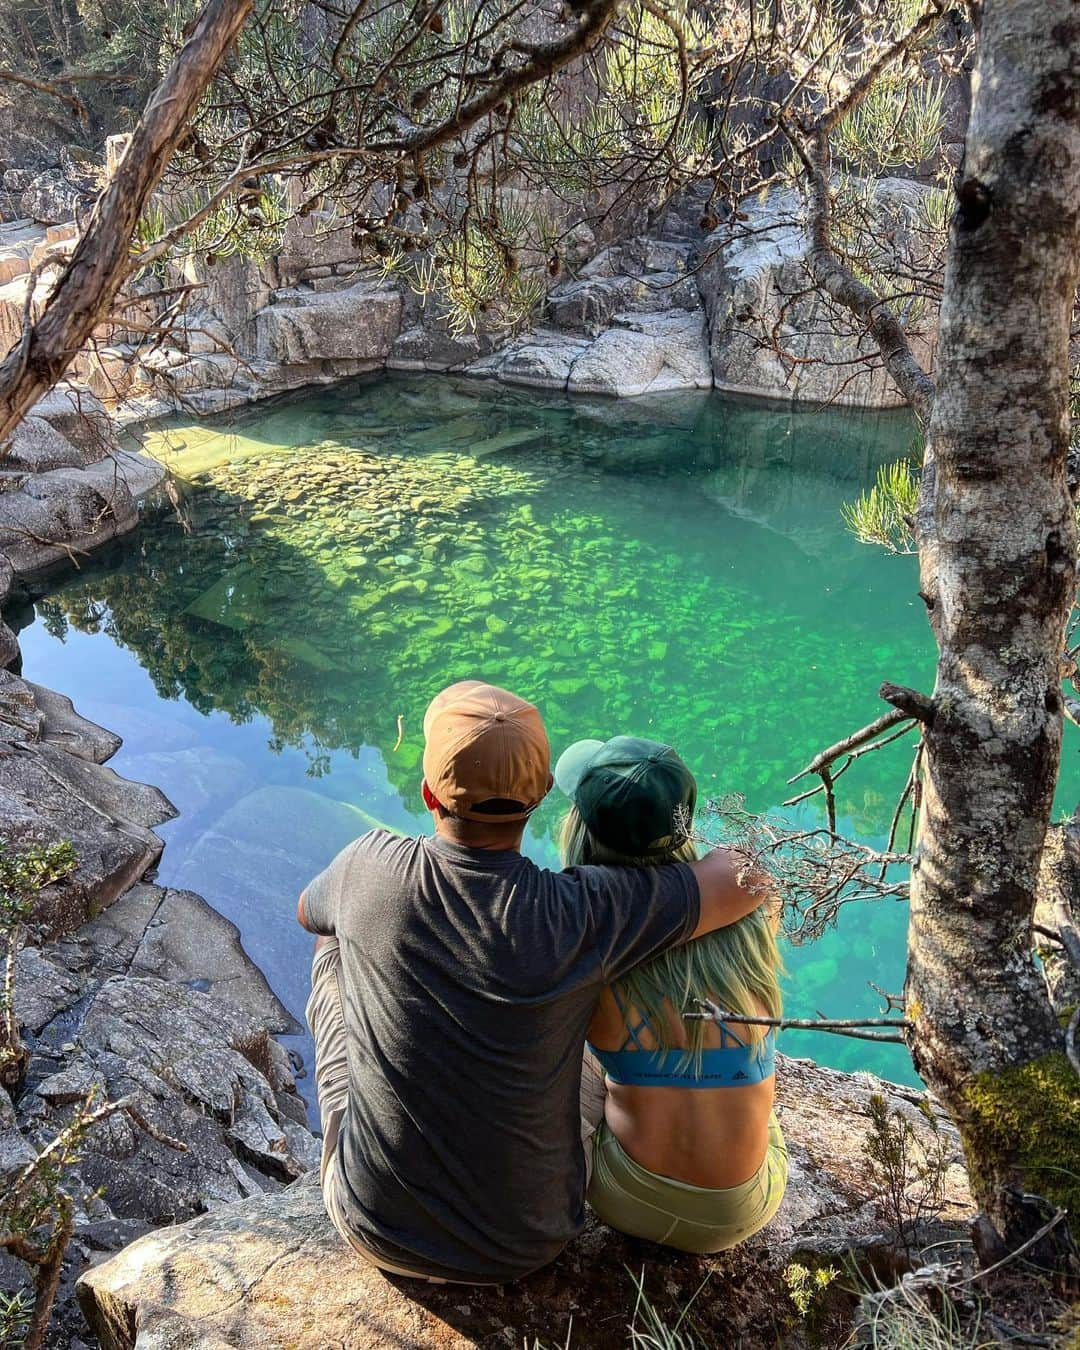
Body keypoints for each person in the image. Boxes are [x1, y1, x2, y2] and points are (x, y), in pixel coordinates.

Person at [298, 680, 767, 1285]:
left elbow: (306, 910)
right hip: (530, 1243)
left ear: (428, 793)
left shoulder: (369, 863)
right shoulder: (582, 912)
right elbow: (745, 875)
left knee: (332, 942)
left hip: (373, 1226)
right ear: (542, 795)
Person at [557, 734, 787, 1254]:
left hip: (630, 1201)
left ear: (582, 825)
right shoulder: (752, 900)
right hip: (748, 1205)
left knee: (570, 1060)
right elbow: (747, 873)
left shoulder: (585, 943)